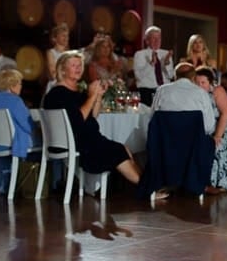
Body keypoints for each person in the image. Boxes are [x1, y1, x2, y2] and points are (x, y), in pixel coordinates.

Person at [42, 51, 163, 197]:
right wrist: (92, 95)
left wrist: (98, 96)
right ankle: (147, 190)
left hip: (87, 138)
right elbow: (77, 119)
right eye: (73, 65)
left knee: (122, 148)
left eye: (79, 65)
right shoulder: (58, 94)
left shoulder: (75, 91)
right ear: (62, 70)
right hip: (79, 141)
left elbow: (93, 115)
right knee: (118, 151)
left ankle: (146, 186)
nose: (78, 68)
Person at [0, 69, 41, 194]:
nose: (21, 86)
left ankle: (5, 184)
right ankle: (36, 184)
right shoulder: (15, 100)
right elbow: (27, 125)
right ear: (12, 86)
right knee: (46, 143)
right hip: (14, 142)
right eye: (20, 83)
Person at [194, 66, 227, 194]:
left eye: (203, 82)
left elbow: (226, 113)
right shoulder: (196, 94)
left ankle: (223, 184)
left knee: (219, 146)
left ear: (210, 82)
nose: (200, 85)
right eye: (197, 82)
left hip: (226, 128)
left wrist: (218, 135)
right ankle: (207, 183)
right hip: (208, 129)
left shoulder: (217, 91)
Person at [134, 26, 174, 107]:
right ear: (147, 41)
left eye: (159, 38)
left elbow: (171, 76)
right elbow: (139, 77)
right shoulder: (140, 54)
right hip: (147, 93)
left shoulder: (166, 54)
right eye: (153, 38)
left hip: (164, 92)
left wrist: (167, 64)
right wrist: (151, 64)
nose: (157, 41)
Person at [45, 23, 70, 95]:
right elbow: (53, 75)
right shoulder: (50, 52)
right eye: (63, 35)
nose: (66, 38)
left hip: (67, 87)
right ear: (54, 38)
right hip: (54, 87)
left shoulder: (69, 53)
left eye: (67, 36)